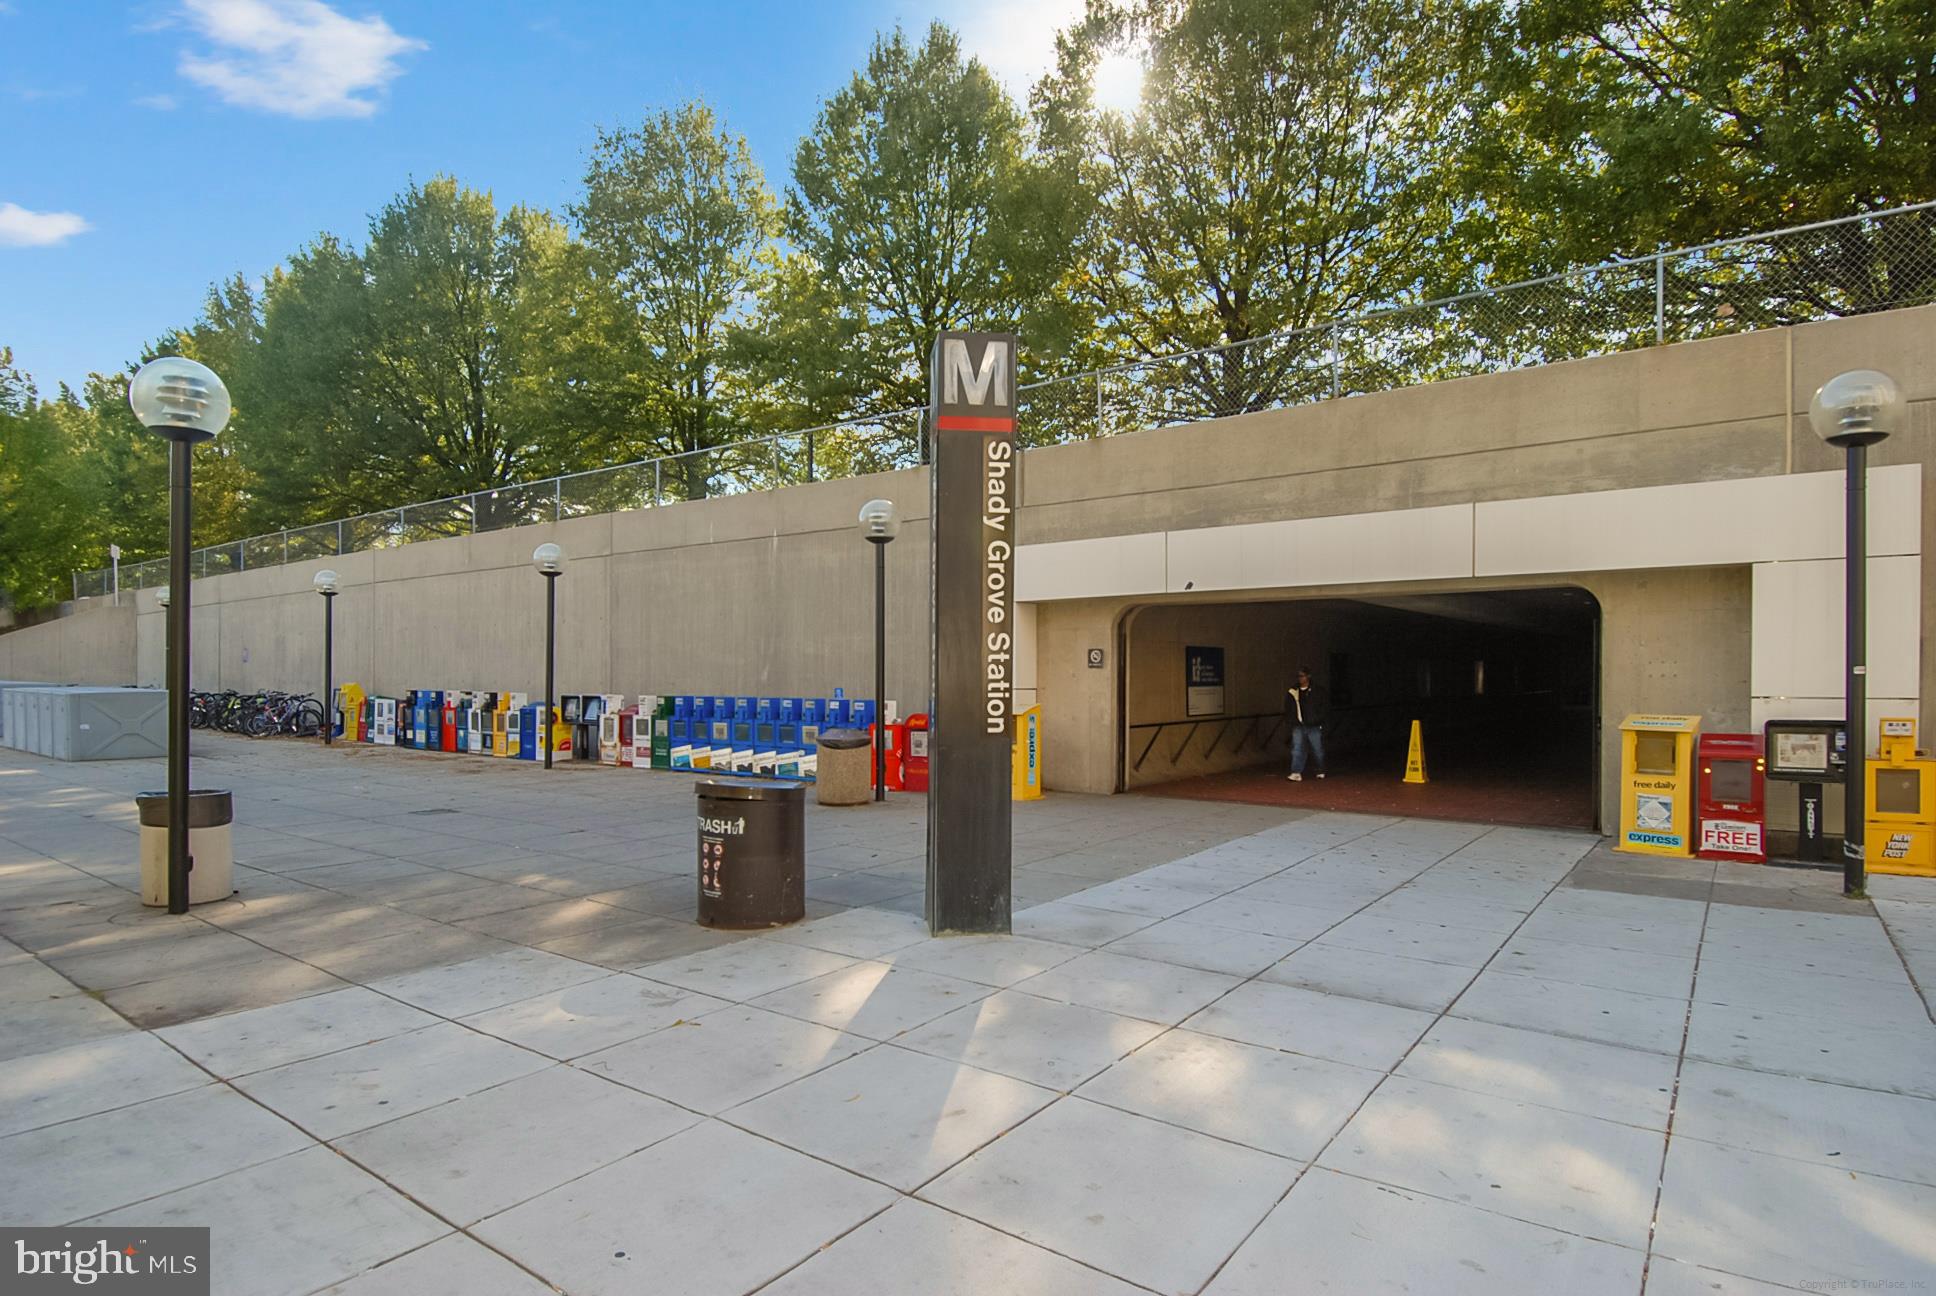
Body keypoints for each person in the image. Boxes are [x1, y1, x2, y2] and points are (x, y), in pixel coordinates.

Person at [1285, 666, 1328, 781]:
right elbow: (1288, 708)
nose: (1300, 678)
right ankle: (1296, 772)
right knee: (1297, 749)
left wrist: (1318, 720)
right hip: (1298, 725)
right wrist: (1292, 721)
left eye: (1302, 676)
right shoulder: (1293, 691)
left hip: (1314, 725)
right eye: (1298, 676)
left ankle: (1320, 769)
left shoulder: (1318, 691)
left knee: (1317, 749)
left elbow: (1324, 707)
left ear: (1308, 676)